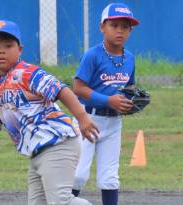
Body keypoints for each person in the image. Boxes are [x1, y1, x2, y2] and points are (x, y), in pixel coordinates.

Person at [0, 20, 99, 205]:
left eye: (8, 45)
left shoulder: (26, 72)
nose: (1, 50)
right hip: (37, 155)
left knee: (61, 201)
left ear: (20, 49)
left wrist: (82, 118)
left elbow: (61, 90)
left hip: (57, 144)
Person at [71, 3, 139, 205]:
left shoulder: (130, 58)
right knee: (78, 174)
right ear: (102, 27)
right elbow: (78, 87)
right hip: (88, 119)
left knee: (109, 176)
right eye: (114, 25)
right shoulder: (92, 55)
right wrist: (108, 100)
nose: (120, 30)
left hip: (113, 122)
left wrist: (132, 100)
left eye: (125, 26)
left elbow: (129, 87)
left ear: (130, 30)